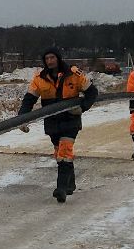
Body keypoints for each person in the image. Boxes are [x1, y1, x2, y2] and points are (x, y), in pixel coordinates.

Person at [17, 47, 98, 202]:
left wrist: (82, 108)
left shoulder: (74, 75)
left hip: (70, 120)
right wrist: (22, 117)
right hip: (52, 122)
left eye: (52, 57)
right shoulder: (39, 79)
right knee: (59, 153)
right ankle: (70, 184)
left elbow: (92, 93)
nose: (49, 61)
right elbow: (29, 100)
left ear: (58, 58)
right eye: (47, 58)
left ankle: (61, 188)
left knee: (65, 152)